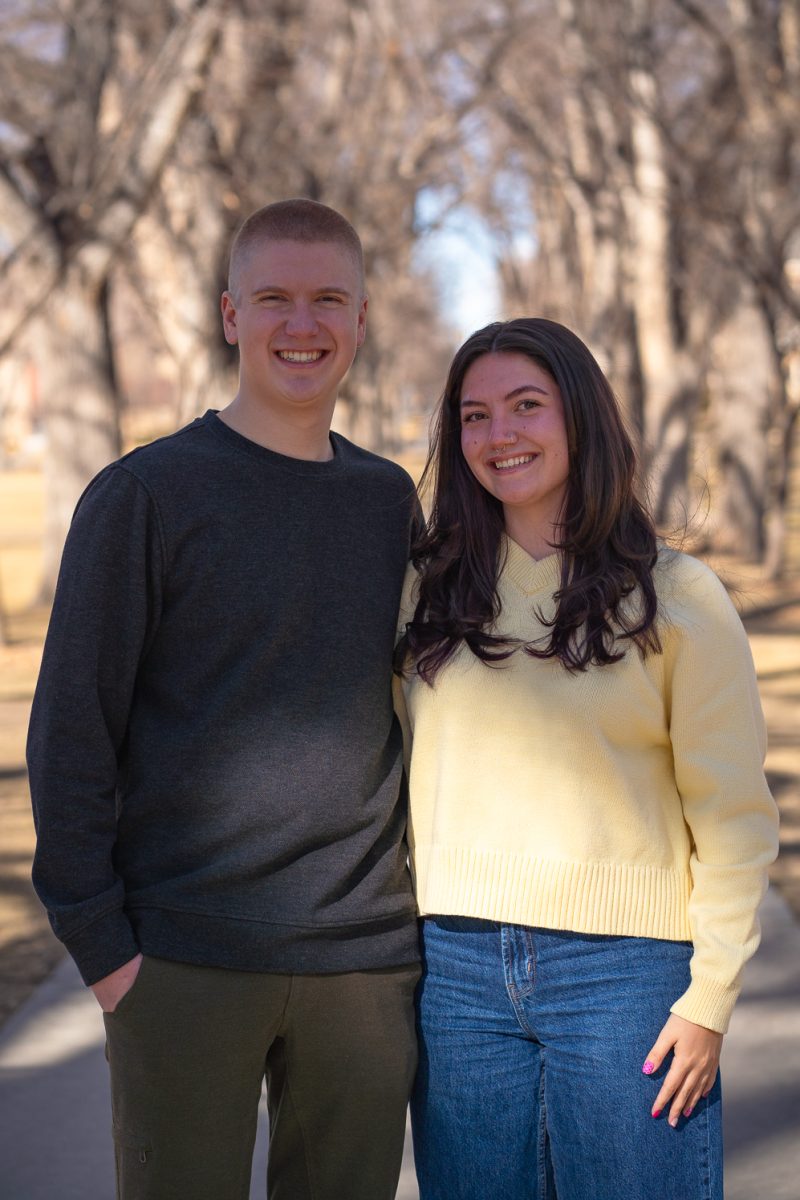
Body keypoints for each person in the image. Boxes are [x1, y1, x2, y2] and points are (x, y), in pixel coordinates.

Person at [27, 198, 421, 1200]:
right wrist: (105, 949)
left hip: (362, 964)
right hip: (183, 957)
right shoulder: (145, 496)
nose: (303, 324)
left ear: (363, 320)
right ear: (228, 315)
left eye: (328, 298)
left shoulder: (387, 502)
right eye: (273, 298)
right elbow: (73, 730)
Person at [394, 317, 779, 1200]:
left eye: (528, 406)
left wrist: (709, 995)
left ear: (582, 418)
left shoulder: (679, 598)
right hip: (452, 976)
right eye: (475, 415)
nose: (501, 436)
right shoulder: (424, 591)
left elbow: (734, 817)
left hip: (626, 978)